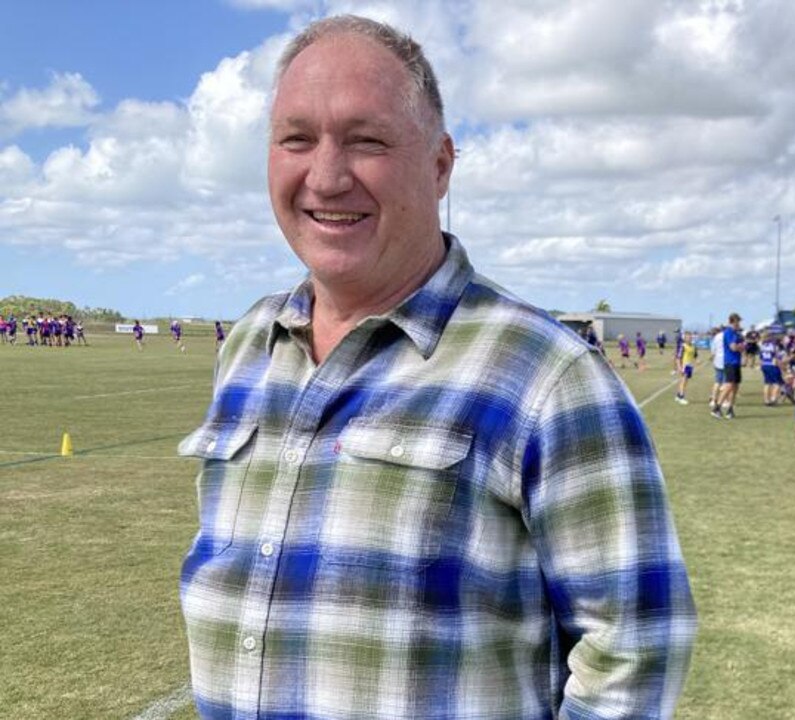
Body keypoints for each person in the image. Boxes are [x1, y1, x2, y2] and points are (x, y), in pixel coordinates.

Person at [176, 17, 695, 717]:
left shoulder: (546, 374)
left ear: (441, 165)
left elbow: (635, 646)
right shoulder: (249, 346)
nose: (326, 177)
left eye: (367, 141)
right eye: (297, 139)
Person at [712, 312, 744, 419]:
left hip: (736, 362)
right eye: (737, 322)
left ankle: (730, 409)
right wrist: (740, 346)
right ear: (732, 321)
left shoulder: (737, 333)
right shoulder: (729, 332)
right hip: (730, 362)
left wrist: (741, 346)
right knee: (729, 385)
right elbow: (733, 347)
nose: (739, 324)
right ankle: (717, 407)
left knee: (735, 386)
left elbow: (742, 345)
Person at [760, 333, 784, 405]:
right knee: (777, 383)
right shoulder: (774, 346)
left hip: (765, 365)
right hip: (772, 365)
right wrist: (780, 365)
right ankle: (773, 399)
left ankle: (766, 400)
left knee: (767, 383)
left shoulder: (762, 345)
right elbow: (776, 357)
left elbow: (761, 357)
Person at [674, 330, 696, 404]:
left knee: (685, 382)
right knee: (683, 381)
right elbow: (678, 357)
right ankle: (681, 397)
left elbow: (694, 355)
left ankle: (678, 395)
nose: (689, 338)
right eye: (687, 337)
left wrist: (696, 361)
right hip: (684, 366)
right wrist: (679, 367)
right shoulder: (683, 346)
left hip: (690, 366)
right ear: (685, 338)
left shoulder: (693, 346)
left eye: (690, 337)